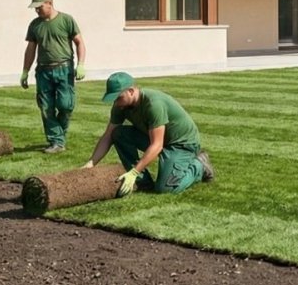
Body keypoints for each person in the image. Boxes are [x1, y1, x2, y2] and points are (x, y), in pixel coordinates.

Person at [84, 73, 213, 196]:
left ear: (131, 91)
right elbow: (108, 135)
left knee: (166, 189)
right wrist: (91, 163)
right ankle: (142, 181)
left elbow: (157, 145)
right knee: (118, 134)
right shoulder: (121, 106)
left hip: (181, 144)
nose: (116, 103)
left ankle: (199, 166)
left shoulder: (153, 104)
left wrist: (134, 171)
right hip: (158, 139)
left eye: (119, 98)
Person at [21, 0, 85, 154]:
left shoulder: (66, 20)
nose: (37, 10)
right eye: (35, 8)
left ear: (50, 3)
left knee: (65, 105)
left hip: (64, 68)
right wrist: (25, 71)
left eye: (39, 7)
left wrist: (81, 64)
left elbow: (79, 43)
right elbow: (30, 49)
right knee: (46, 107)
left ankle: (59, 136)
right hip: (43, 70)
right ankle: (56, 141)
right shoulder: (35, 25)